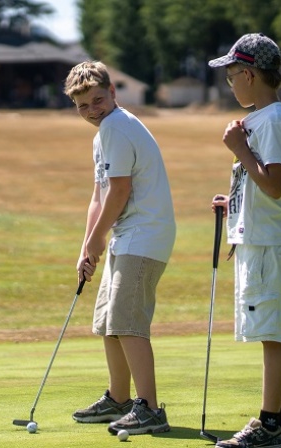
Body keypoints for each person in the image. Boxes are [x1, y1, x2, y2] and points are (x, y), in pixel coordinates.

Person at [63, 61, 176, 436]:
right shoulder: (103, 134)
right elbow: (100, 194)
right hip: (126, 235)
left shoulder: (115, 125)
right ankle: (119, 397)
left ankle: (150, 408)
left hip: (144, 234)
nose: (92, 110)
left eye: (97, 100)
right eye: (83, 106)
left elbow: (121, 190)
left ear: (113, 93)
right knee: (109, 322)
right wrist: (88, 244)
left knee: (127, 322)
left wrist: (98, 238)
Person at [207, 33, 281, 448]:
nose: (230, 85)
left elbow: (280, 186)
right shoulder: (266, 119)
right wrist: (236, 202)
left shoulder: (275, 118)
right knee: (271, 331)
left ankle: (268, 423)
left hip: (267, 244)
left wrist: (239, 149)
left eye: (231, 76)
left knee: (272, 334)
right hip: (257, 238)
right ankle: (278, 422)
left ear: (249, 74)